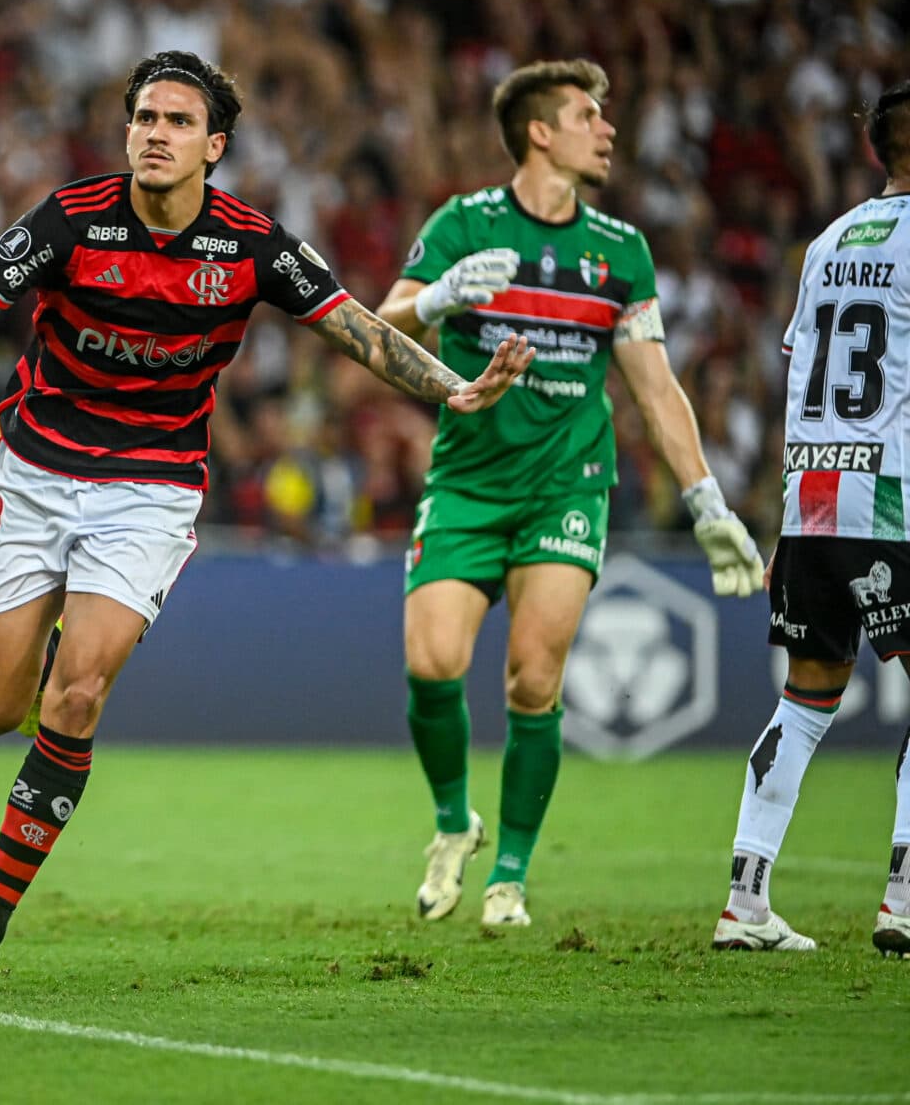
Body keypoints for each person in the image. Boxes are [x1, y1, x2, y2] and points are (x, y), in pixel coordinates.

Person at [0, 50, 535, 993]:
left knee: (73, 701)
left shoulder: (251, 246)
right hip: (32, 473)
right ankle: (59, 647)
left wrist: (455, 389)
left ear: (213, 146)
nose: (155, 132)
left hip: (149, 490)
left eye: (178, 122)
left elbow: (359, 329)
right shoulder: (71, 218)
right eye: (145, 116)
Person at [374, 59, 763, 929]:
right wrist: (434, 299)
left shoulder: (620, 250)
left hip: (567, 489)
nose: (609, 129)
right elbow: (375, 326)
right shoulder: (463, 223)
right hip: (469, 480)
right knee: (432, 663)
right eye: (591, 114)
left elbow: (657, 390)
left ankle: (509, 876)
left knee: (533, 679)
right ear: (540, 133)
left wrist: (708, 504)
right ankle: (453, 825)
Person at [711, 80, 910, 955]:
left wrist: (783, 516)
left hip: (813, 503)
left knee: (806, 699)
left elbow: (800, 372)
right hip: (895, 501)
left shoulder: (828, 240)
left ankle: (744, 902)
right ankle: (903, 899)